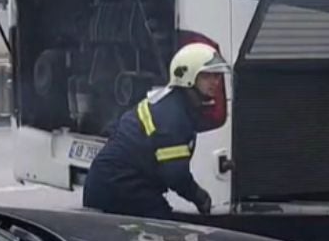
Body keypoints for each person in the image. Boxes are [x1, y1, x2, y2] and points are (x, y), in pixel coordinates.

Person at [82, 43, 228, 218]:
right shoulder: (173, 115)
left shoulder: (174, 103)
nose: (215, 82)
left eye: (217, 76)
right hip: (120, 186)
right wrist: (199, 196)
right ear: (187, 76)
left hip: (113, 182)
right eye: (207, 76)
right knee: (163, 230)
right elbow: (175, 174)